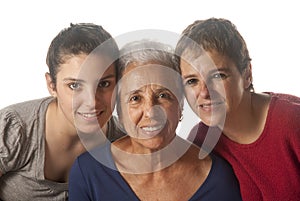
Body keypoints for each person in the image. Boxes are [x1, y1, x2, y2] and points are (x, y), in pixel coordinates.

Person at [69, 40, 242, 201]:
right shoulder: (88, 172)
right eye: (135, 98)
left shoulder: (218, 178)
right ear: (120, 111)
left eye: (163, 95)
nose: (151, 112)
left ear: (180, 106)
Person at [175, 17, 300, 201]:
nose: (204, 92)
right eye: (192, 81)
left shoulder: (292, 122)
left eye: (218, 76)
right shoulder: (201, 141)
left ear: (247, 74)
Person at [0, 23, 124, 200]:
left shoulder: (122, 141)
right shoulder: (15, 128)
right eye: (74, 85)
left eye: (104, 84)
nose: (91, 101)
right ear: (52, 85)